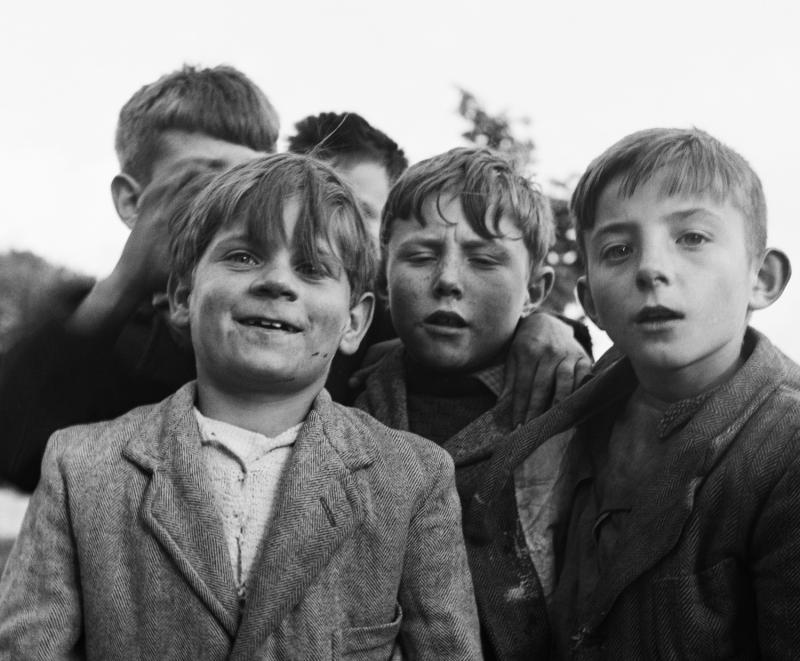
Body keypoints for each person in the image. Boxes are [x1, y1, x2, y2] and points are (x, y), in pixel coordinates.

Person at [0, 154, 482, 659]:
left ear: (356, 322)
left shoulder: (413, 479)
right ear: (183, 297)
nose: (277, 282)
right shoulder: (80, 467)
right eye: (244, 257)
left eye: (313, 268)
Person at [467, 127, 799, 658]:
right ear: (590, 301)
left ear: (762, 277)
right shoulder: (570, 412)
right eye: (618, 249)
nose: (650, 269)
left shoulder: (785, 450)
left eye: (692, 237)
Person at [0, 64, 277, 491]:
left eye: (252, 181)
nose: (231, 204)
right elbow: (17, 456)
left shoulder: (301, 317)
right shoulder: (103, 333)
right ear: (132, 201)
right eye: (204, 182)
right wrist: (124, 284)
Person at [356, 146, 570, 659]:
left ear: (535, 291)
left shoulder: (573, 403)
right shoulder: (345, 396)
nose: (448, 280)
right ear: (382, 275)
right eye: (421, 255)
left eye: (484, 259)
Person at [289, 111, 593, 410]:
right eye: (421, 256)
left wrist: (547, 327)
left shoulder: (561, 402)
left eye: (359, 213)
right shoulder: (368, 384)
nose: (330, 227)